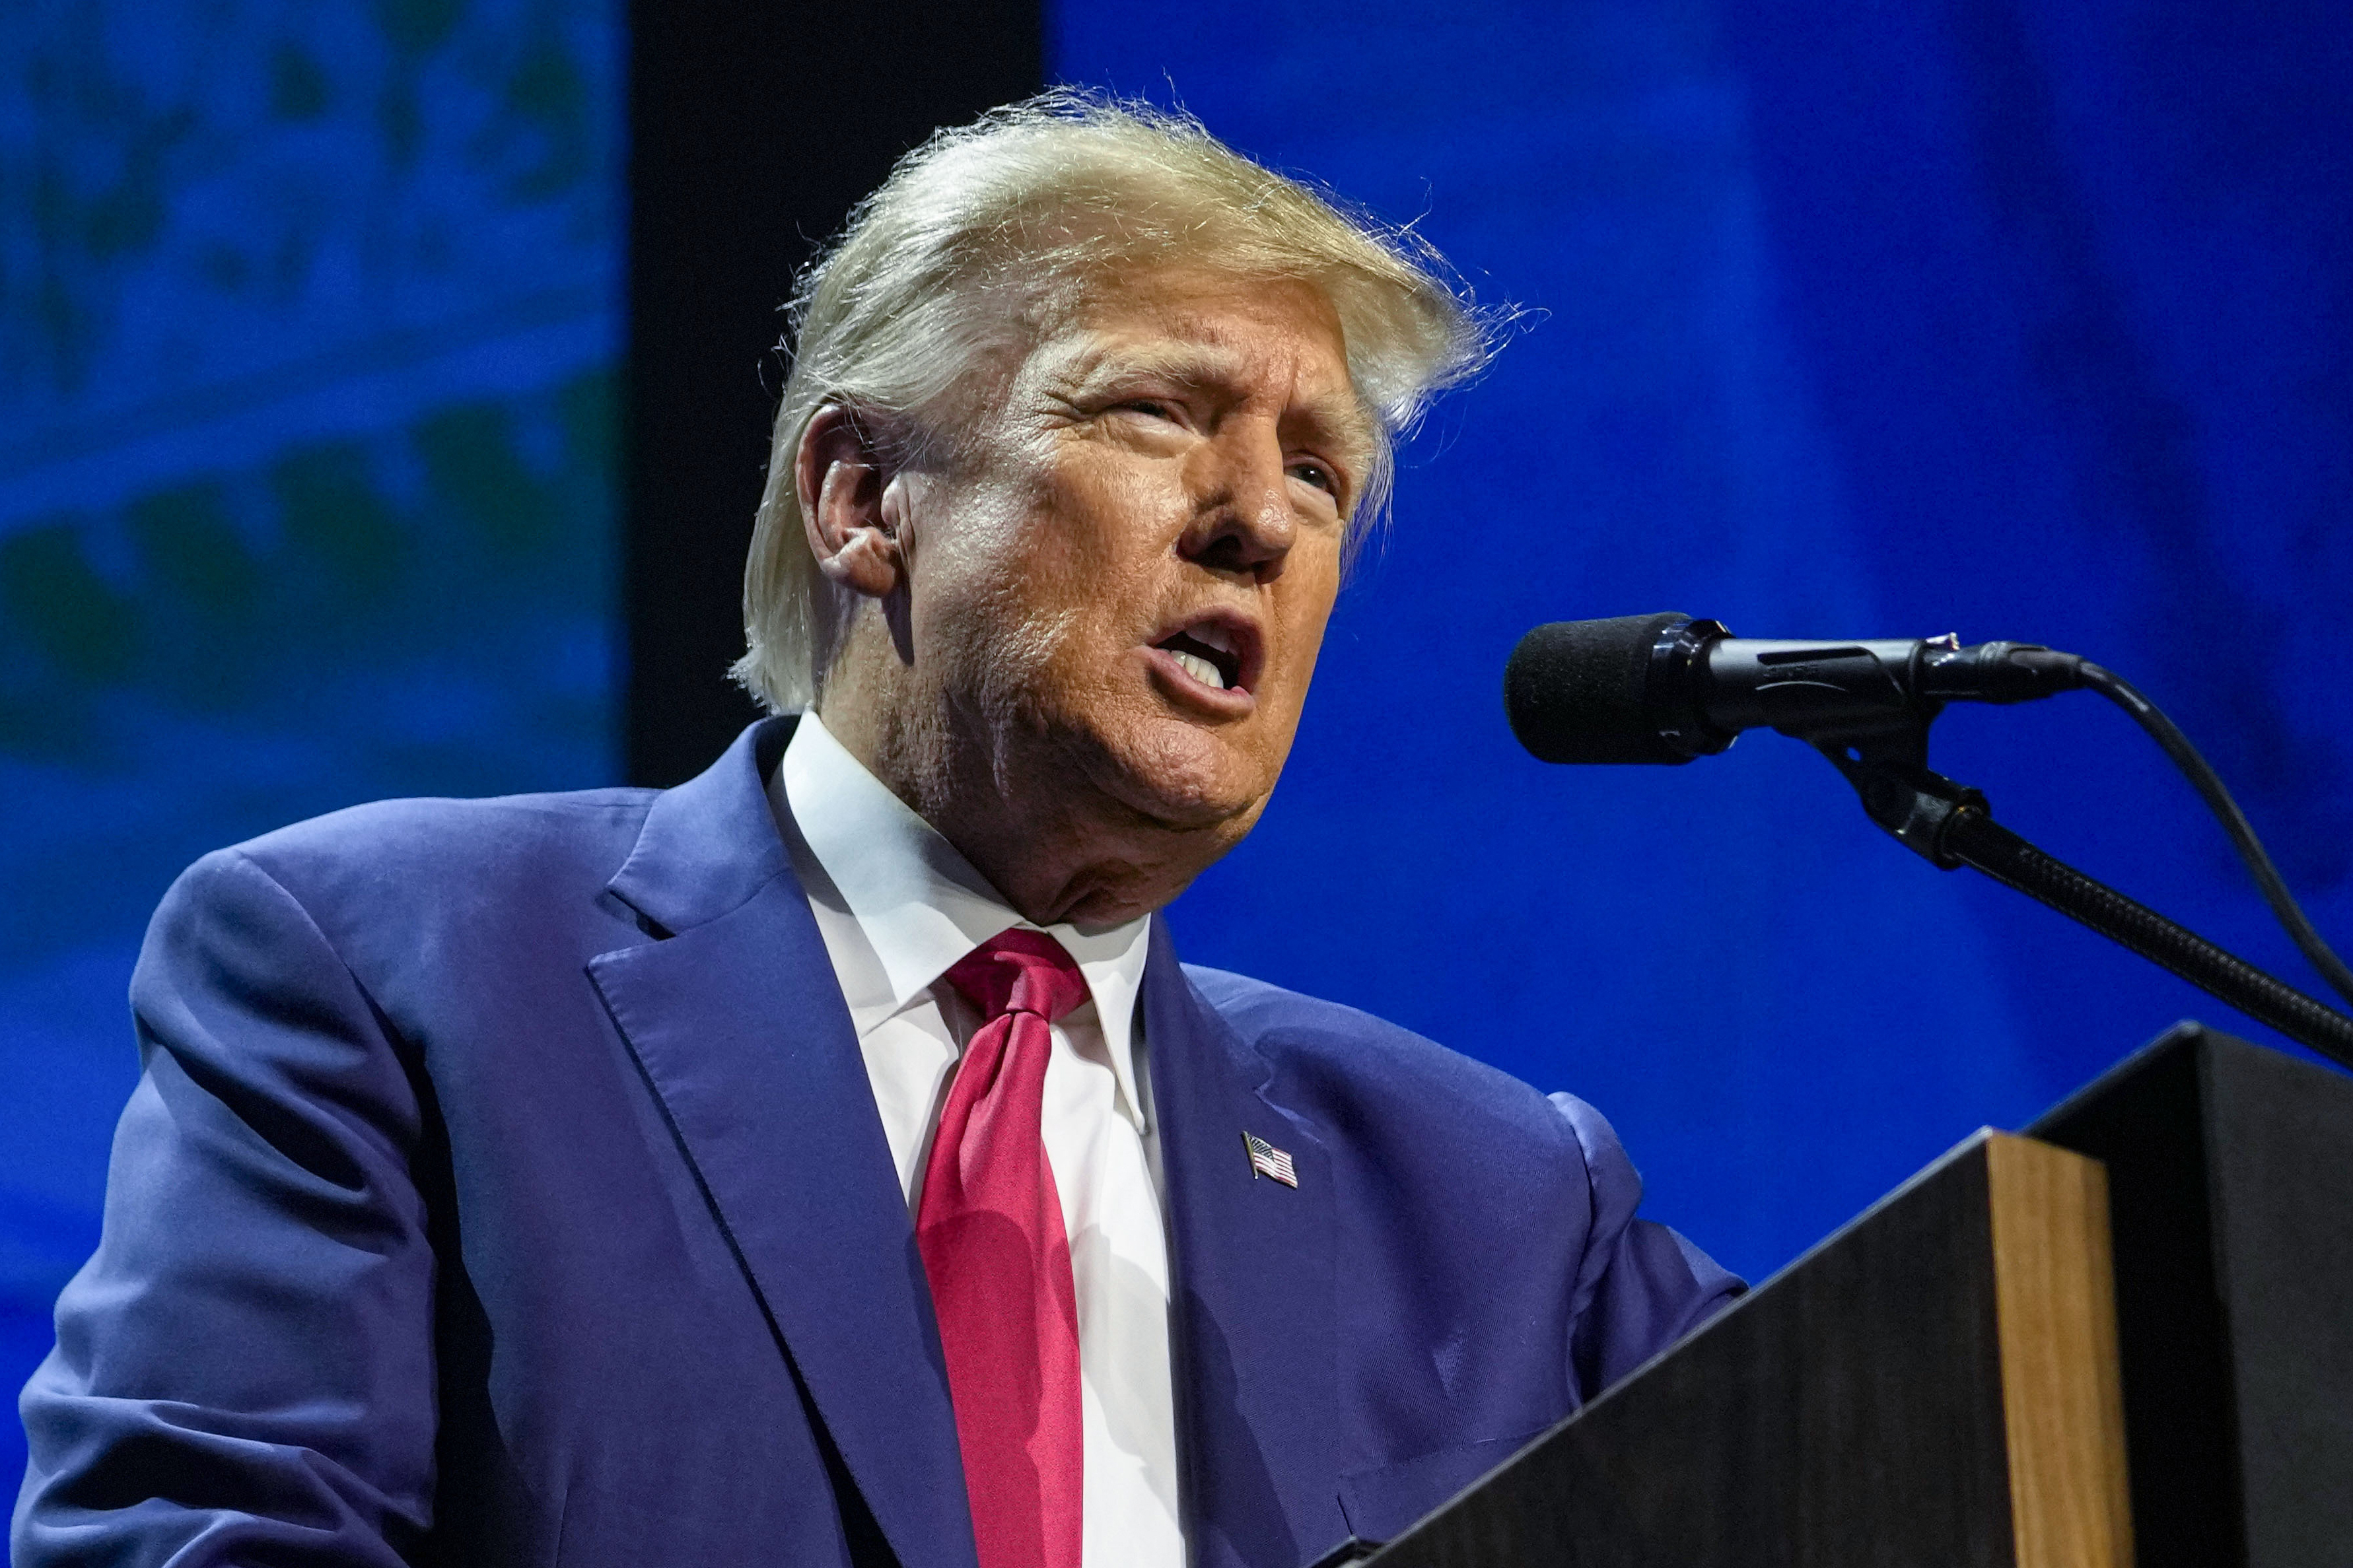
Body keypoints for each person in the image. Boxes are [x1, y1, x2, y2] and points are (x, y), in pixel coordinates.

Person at [14, 94, 1740, 1568]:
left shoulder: (1501, 1203)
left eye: (1319, 473)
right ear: (862, 499)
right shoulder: (396, 972)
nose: (1257, 523)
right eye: (1158, 411)